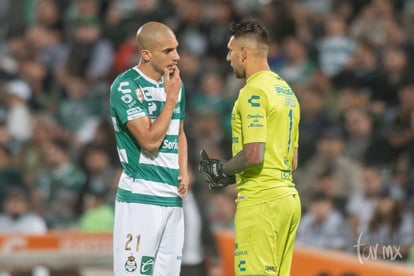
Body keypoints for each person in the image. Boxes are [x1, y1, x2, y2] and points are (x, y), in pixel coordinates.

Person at [199, 21, 301, 276]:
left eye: (231, 51)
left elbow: (255, 154)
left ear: (244, 52)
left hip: (260, 202)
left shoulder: (252, 92)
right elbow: (292, 160)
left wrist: (222, 169)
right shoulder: (286, 91)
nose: (228, 57)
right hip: (287, 200)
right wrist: (233, 172)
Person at [109, 21, 188, 276]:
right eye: (167, 51)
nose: (176, 56)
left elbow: (179, 130)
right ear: (146, 54)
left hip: (172, 197)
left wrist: (183, 171)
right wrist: (171, 99)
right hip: (141, 195)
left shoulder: (175, 83)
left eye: (176, 49)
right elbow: (150, 141)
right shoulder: (126, 87)